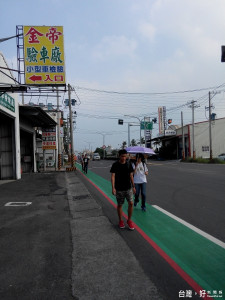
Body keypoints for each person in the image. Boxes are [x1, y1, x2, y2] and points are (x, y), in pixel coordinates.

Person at [110, 149, 136, 230]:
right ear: (119, 156)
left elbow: (131, 176)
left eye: (125, 156)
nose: (124, 158)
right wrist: (113, 187)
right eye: (122, 156)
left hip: (128, 188)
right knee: (120, 205)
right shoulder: (115, 165)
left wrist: (134, 186)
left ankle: (129, 220)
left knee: (131, 203)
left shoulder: (129, 164)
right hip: (119, 189)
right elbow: (113, 176)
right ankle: (121, 220)